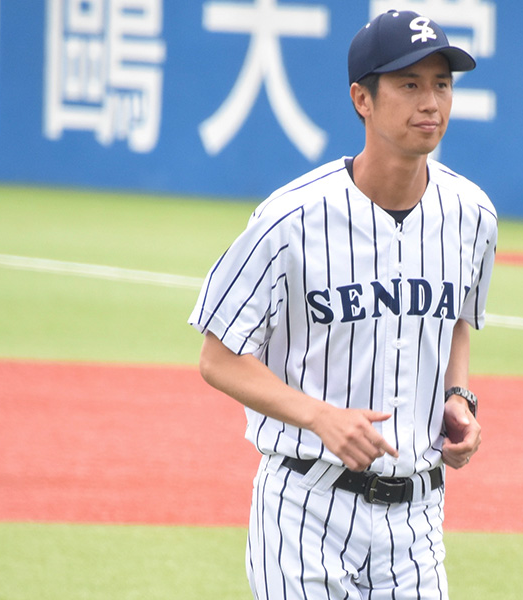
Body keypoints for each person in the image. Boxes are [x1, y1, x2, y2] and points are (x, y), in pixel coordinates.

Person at [189, 9, 497, 599]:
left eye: (442, 83)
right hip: (305, 509)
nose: (430, 101)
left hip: (417, 521)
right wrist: (318, 415)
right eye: (409, 84)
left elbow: (457, 321)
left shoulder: (472, 214)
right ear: (363, 99)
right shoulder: (290, 219)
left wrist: (459, 397)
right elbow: (218, 356)